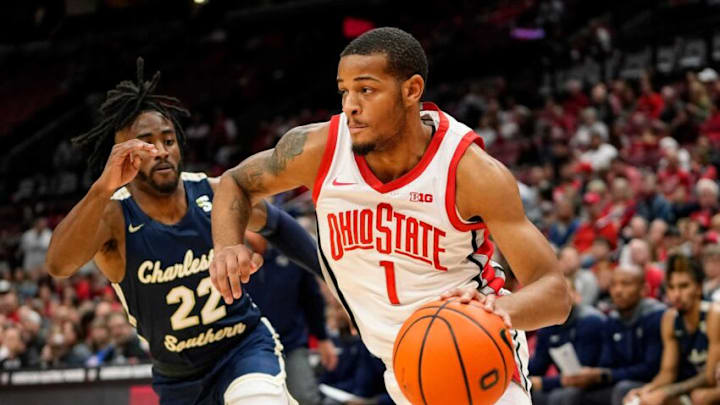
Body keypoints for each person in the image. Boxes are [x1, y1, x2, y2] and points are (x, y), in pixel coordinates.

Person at [209, 27, 571, 404]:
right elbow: (235, 182)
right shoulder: (318, 149)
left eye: (366, 89)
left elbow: (555, 294)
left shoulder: (470, 171)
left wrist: (498, 311)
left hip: (470, 349)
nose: (350, 104)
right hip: (399, 365)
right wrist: (227, 245)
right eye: (344, 90)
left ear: (412, 90)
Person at [45, 58, 317, 405]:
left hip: (244, 349)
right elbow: (58, 265)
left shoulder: (215, 192)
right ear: (122, 153)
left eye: (169, 140)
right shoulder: (113, 215)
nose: (162, 151)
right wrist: (102, 187)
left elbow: (278, 224)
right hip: (177, 379)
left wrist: (334, 280)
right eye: (146, 143)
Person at [243, 231, 337, 405]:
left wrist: (323, 338)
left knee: (304, 397)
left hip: (291, 343)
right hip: (249, 348)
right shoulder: (231, 252)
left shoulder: (288, 246)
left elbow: (311, 298)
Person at [562, 266, 666, 405]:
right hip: (620, 381)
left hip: (651, 384)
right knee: (573, 395)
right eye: (614, 285)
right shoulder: (611, 320)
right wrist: (592, 376)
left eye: (626, 284)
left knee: (622, 390)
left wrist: (604, 375)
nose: (618, 291)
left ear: (644, 290)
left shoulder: (656, 316)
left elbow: (650, 369)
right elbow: (607, 364)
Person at [623, 255, 719, 405]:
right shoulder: (670, 318)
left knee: (699, 398)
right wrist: (647, 389)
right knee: (638, 400)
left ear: (699, 288)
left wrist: (665, 392)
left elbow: (709, 376)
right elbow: (668, 372)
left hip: (711, 388)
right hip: (688, 389)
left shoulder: (714, 315)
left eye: (684, 286)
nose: (676, 295)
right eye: (671, 287)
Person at [529, 277, 606, 405]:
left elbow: (581, 376)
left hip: (596, 382)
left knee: (564, 395)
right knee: (528, 392)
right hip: (567, 382)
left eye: (563, 291)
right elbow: (537, 366)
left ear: (576, 296)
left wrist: (543, 382)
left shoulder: (590, 321)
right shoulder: (547, 327)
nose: (557, 297)